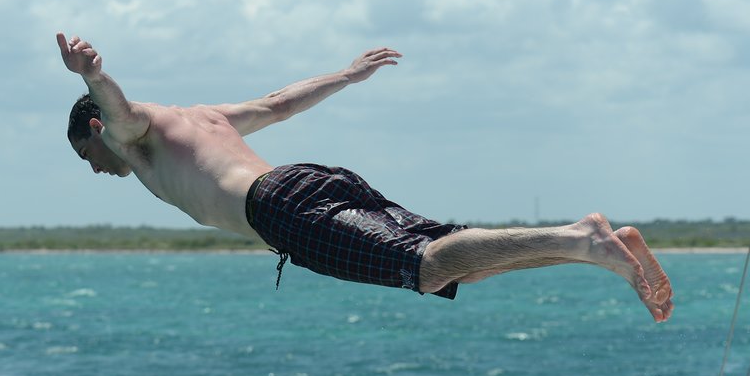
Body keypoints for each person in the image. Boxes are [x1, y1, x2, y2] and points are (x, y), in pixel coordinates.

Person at [57, 33, 673, 322]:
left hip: (280, 211)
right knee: (445, 270)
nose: (97, 168)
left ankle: (584, 239)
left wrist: (92, 77)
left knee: (426, 265)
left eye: (88, 155)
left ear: (92, 130)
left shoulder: (128, 135)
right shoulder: (199, 118)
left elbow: (121, 111)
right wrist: (345, 76)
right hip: (313, 180)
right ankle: (594, 249)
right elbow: (278, 105)